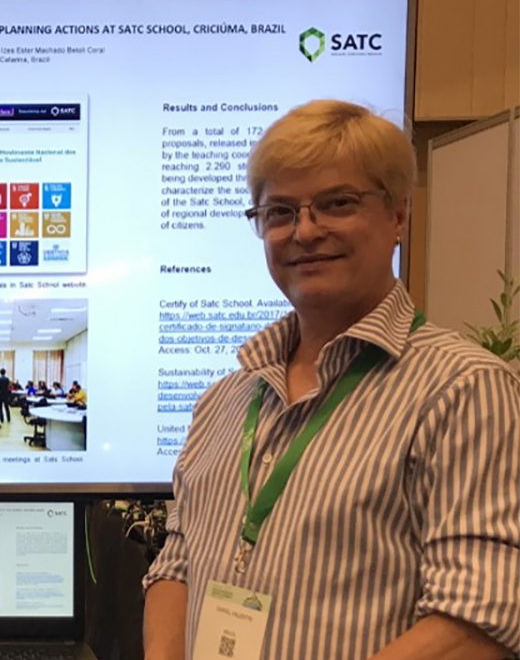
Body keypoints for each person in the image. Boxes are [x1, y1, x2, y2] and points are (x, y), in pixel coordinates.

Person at [143, 100, 520, 660]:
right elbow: (176, 565)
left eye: (337, 203)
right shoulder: (223, 402)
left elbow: (478, 618)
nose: (305, 231)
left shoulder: (463, 390)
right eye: (279, 212)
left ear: (398, 216)